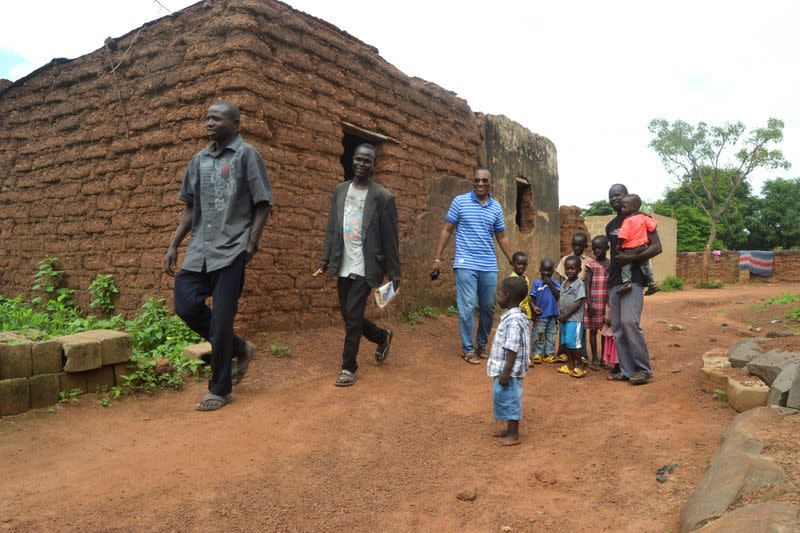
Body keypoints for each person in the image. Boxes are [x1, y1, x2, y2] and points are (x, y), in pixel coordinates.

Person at [164, 101, 272, 412]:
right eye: (207, 118)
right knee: (185, 305)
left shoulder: (247, 155)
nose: (209, 123)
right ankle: (240, 348)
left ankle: (219, 389)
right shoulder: (199, 160)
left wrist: (251, 244)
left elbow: (263, 203)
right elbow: (190, 207)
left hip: (233, 248)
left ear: (236, 124)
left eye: (217, 118)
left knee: (222, 320)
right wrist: (174, 244)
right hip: (200, 249)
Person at [317, 143, 400, 387]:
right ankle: (382, 336)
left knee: (352, 317)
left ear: (374, 165)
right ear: (352, 160)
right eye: (358, 159)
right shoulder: (341, 190)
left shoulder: (383, 198)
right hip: (343, 262)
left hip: (367, 266)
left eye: (367, 161)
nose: (361, 164)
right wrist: (325, 259)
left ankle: (348, 367)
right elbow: (332, 227)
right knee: (349, 315)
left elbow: (390, 237)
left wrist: (395, 274)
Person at [431, 169, 514, 364]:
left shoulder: (496, 208)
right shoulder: (460, 202)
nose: (480, 184)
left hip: (488, 264)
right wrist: (437, 258)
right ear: (472, 181)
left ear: (490, 182)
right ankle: (468, 349)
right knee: (467, 306)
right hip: (465, 262)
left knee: (488, 307)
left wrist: (512, 258)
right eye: (477, 180)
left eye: (484, 180)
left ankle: (482, 345)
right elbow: (447, 230)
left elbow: (501, 236)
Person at [606, 184, 662, 385]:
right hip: (614, 280)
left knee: (630, 323)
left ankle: (643, 369)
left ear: (627, 197)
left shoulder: (640, 219)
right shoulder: (611, 225)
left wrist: (631, 259)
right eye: (611, 196)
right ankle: (627, 370)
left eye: (618, 195)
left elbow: (657, 247)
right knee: (618, 327)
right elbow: (614, 255)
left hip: (635, 279)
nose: (614, 199)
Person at [487, 275, 532, 447]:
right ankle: (509, 429)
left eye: (498, 293)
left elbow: (512, 347)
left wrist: (506, 370)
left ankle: (514, 434)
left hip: (509, 371)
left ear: (506, 296)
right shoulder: (514, 317)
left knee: (511, 399)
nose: (496, 296)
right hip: (506, 369)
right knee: (503, 397)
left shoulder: (513, 321)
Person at [617, 194, 659, 295]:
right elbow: (653, 226)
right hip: (642, 248)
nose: (621, 209)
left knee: (625, 265)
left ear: (633, 208)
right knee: (645, 266)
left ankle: (627, 282)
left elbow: (623, 236)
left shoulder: (627, 221)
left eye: (624, 207)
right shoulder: (643, 217)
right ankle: (652, 283)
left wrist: (619, 245)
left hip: (630, 249)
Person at [556, 256, 587, 378]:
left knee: (574, 343)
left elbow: (579, 303)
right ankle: (570, 365)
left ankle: (580, 366)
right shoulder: (563, 283)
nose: (569, 271)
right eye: (567, 269)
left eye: (572, 269)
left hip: (574, 319)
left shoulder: (579, 284)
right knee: (566, 342)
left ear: (579, 270)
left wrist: (566, 315)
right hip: (564, 319)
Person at [584, 235, 610, 370]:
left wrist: (610, 305)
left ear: (607, 248)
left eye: (600, 248)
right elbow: (587, 284)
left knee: (605, 332)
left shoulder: (611, 265)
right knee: (593, 331)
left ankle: (604, 358)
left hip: (606, 304)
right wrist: (589, 303)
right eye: (594, 248)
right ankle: (594, 357)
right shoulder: (590, 265)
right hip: (593, 303)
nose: (596, 251)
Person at [530, 258, 560, 365]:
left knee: (551, 335)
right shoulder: (536, 284)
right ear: (540, 270)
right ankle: (537, 353)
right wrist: (533, 308)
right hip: (541, 315)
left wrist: (550, 284)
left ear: (553, 271)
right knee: (539, 334)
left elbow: (558, 294)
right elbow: (532, 298)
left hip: (553, 315)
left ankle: (549, 354)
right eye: (544, 270)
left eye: (549, 271)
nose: (546, 273)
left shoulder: (556, 283)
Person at [510, 251, 532, 320]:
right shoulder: (512, 279)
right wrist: (518, 308)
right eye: (519, 264)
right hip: (515, 314)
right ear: (513, 264)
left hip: (526, 313)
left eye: (524, 264)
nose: (521, 266)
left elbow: (527, 296)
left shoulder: (526, 279)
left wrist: (533, 307)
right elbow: (510, 298)